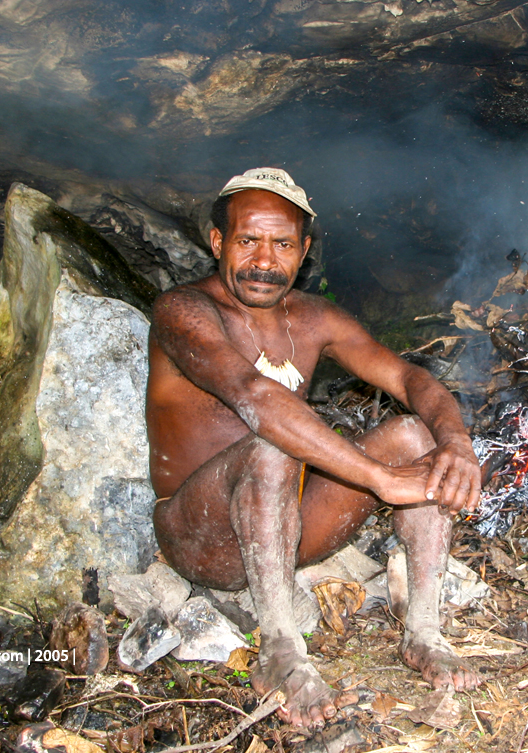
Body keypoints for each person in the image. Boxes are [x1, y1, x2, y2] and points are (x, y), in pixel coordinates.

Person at [147, 167, 483, 728]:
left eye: (282, 244)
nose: (263, 259)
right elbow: (253, 395)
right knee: (273, 444)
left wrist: (456, 442)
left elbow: (407, 379)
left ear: (303, 252)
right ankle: (281, 650)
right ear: (217, 243)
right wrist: (376, 478)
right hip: (200, 535)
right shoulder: (183, 311)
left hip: (288, 532)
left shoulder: (312, 317)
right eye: (247, 240)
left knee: (414, 437)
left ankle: (424, 632)